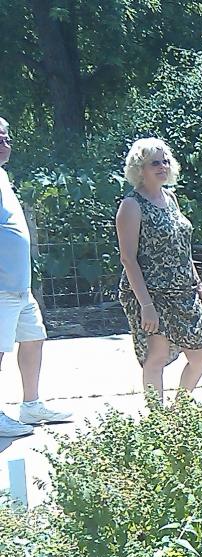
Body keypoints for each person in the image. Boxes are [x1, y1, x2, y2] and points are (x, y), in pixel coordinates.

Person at [114, 137, 202, 401]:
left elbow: (181, 246)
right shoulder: (131, 205)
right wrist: (146, 305)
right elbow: (128, 259)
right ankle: (157, 422)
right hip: (152, 293)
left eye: (165, 161)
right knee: (156, 356)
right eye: (153, 163)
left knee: (201, 356)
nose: (162, 166)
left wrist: (197, 282)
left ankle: (178, 412)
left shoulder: (171, 198)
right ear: (139, 169)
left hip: (183, 290)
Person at [0, 116, 71, 438]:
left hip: (17, 286)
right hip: (1, 286)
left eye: (6, 136)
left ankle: (31, 405)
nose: (5, 143)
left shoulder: (2, 175)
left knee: (33, 338)